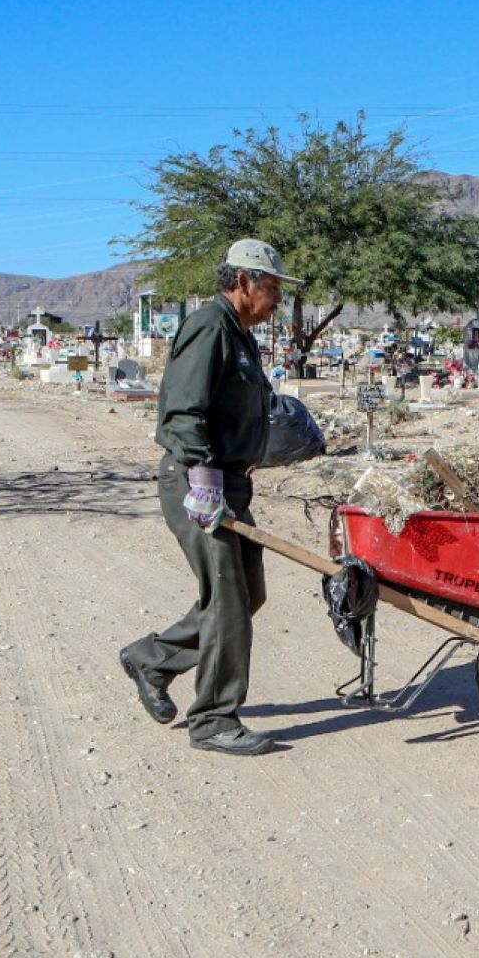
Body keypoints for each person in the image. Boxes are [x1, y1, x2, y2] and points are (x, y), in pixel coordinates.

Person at [119, 239, 301, 755]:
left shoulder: (240, 335)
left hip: (229, 484)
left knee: (246, 595)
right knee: (226, 605)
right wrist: (203, 476)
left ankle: (152, 659)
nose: (276, 301)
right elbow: (182, 408)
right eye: (271, 289)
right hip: (199, 482)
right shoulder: (210, 326)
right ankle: (214, 720)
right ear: (243, 282)